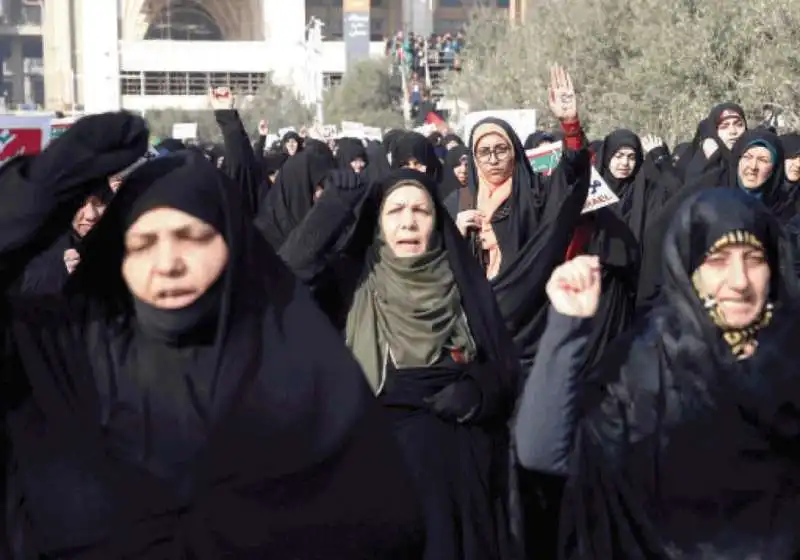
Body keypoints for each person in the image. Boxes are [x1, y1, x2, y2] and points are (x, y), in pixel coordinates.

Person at [0, 112, 424, 557]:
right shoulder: (68, 363)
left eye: (191, 237)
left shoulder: (300, 372)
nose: (168, 262)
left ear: (232, 241)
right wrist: (38, 189)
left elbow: (386, 522)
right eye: (142, 244)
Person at [514, 188, 800, 558]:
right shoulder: (645, 364)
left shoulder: (790, 358)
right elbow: (543, 456)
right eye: (717, 260)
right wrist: (566, 329)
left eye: (754, 259)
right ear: (687, 264)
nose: (740, 281)